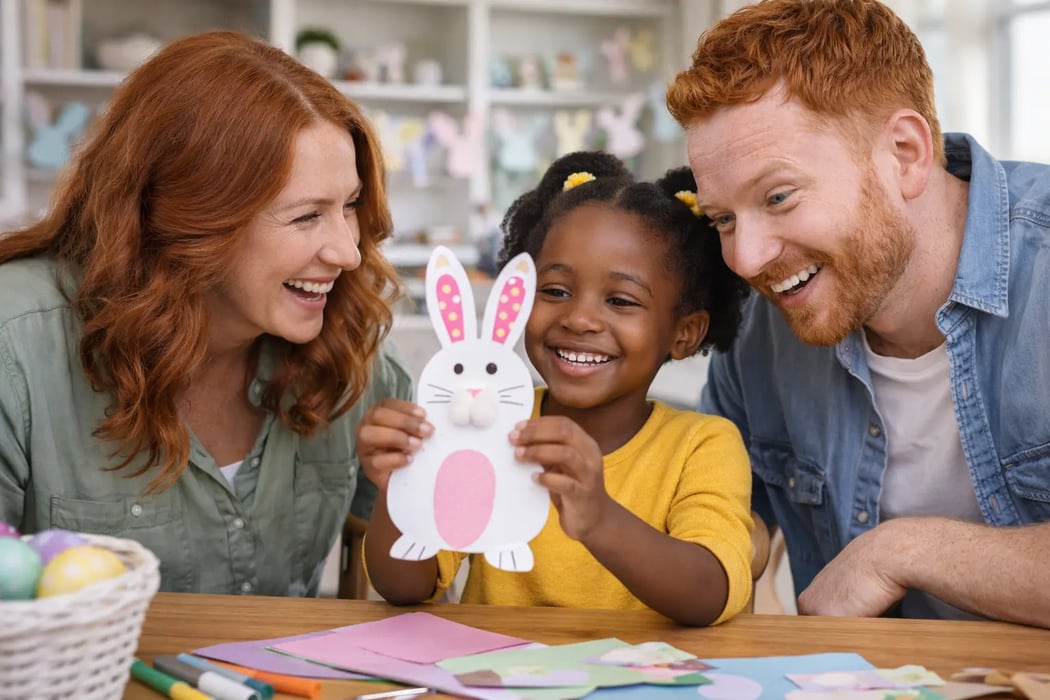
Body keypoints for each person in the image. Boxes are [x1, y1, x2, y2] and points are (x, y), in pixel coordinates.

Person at [666, 0, 1050, 627]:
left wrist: (901, 551)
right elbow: (722, 524)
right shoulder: (763, 333)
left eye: (779, 197)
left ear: (903, 153)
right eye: (723, 219)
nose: (745, 258)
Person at [0, 31, 413, 596]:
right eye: (305, 217)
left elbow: (396, 570)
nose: (346, 252)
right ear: (188, 218)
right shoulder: (15, 346)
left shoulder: (353, 350)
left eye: (348, 206)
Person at [356, 151, 754, 626]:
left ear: (684, 333)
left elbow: (710, 594)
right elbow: (403, 587)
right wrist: (399, 486)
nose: (579, 318)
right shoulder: (488, 419)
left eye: (620, 300)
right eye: (555, 291)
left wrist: (599, 518)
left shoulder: (703, 447)